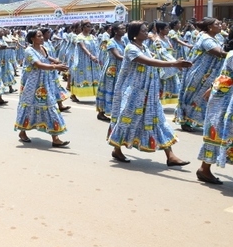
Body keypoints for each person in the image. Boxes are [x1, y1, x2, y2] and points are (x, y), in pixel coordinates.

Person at [108, 21, 192, 165]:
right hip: (134, 92)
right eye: (143, 31)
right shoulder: (130, 48)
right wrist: (174, 64)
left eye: (147, 30)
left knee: (158, 120)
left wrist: (174, 63)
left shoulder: (144, 46)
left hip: (149, 91)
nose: (147, 33)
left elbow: (155, 60)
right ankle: (117, 149)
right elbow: (149, 62)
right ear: (135, 34)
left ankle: (170, 156)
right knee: (125, 119)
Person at [14, 30, 70, 147]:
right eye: (38, 36)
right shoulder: (29, 50)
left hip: (44, 82)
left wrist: (56, 61)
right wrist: (56, 66)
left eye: (41, 36)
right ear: (32, 38)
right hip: (32, 83)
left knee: (50, 106)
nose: (42, 38)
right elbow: (38, 64)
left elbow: (47, 57)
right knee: (28, 105)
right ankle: (22, 132)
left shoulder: (43, 48)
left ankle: (55, 138)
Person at [175, 18, 227, 132]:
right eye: (217, 24)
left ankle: (196, 120)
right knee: (193, 96)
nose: (220, 25)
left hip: (207, 73)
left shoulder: (216, 37)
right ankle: (186, 120)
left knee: (203, 98)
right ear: (209, 27)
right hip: (199, 73)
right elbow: (220, 53)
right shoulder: (206, 39)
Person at [195, 36, 233, 185]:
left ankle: (204, 169)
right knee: (216, 132)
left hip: (223, 97)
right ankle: (204, 169)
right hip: (224, 101)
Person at [95, 22, 126, 121]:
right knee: (109, 89)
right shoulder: (111, 42)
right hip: (112, 69)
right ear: (115, 31)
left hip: (121, 68)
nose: (123, 30)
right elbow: (117, 56)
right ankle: (101, 112)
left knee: (119, 90)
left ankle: (116, 112)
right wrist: (132, 59)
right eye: (121, 29)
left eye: (124, 28)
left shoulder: (123, 42)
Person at [70, 20, 102, 102]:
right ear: (83, 27)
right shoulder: (79, 37)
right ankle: (73, 94)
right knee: (80, 77)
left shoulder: (92, 37)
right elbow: (83, 48)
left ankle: (98, 94)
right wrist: (90, 56)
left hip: (93, 60)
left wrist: (99, 58)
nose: (90, 28)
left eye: (91, 26)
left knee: (95, 76)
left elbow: (97, 48)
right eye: (88, 26)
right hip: (83, 60)